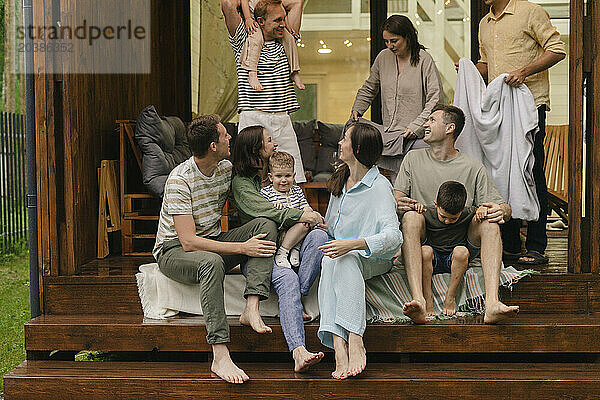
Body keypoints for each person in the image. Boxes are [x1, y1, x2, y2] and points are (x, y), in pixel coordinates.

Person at [152, 114, 277, 384]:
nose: (229, 137)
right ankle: (220, 354)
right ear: (212, 146)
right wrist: (243, 247)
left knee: (264, 224)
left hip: (213, 239)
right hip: (174, 251)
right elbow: (189, 241)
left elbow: (250, 193)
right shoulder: (179, 180)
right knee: (211, 262)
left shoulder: (224, 169)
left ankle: (251, 305)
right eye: (224, 135)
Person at [394, 104, 519, 324]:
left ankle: (491, 304)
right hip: (425, 239)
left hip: (462, 242)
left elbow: (503, 207)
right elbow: (396, 198)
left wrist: (502, 211)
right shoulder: (412, 159)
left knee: (490, 223)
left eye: (432, 120)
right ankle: (419, 301)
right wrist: (398, 203)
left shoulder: (472, 166)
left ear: (450, 128)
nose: (426, 124)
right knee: (411, 218)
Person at [476, 0, 566, 265]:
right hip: (498, 109)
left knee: (530, 170)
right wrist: (470, 70)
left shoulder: (530, 12)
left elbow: (557, 50)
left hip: (530, 105)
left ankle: (536, 246)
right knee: (500, 173)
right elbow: (486, 64)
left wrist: (524, 71)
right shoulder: (484, 23)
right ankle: (512, 245)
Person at [231, 125, 326, 372]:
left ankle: (301, 292)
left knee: (317, 234)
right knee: (287, 280)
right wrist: (305, 215)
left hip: (292, 247)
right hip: (265, 253)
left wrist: (314, 218)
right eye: (269, 140)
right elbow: (269, 214)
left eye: (288, 176)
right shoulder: (247, 184)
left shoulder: (274, 180)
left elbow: (304, 212)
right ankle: (299, 351)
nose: (274, 143)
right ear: (257, 149)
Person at [317, 122, 403, 380]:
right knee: (331, 261)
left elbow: (394, 236)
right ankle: (339, 346)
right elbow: (331, 227)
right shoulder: (340, 180)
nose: (340, 143)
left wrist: (353, 244)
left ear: (357, 148)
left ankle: (355, 339)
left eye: (344, 139)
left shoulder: (379, 187)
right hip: (342, 256)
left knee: (345, 258)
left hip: (374, 258)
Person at [222, 0, 306, 183]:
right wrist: (247, 10)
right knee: (250, 179)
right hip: (254, 118)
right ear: (260, 21)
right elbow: (228, 4)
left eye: (283, 19)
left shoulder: (286, 39)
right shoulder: (245, 39)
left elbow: (297, 2)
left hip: (282, 119)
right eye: (277, 20)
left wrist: (271, 3)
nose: (283, 24)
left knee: (294, 179)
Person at [350, 14, 443, 180]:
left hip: (414, 136)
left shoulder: (424, 60)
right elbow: (370, 87)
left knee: (414, 182)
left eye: (394, 41)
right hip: (389, 135)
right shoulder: (383, 57)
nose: (389, 46)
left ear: (407, 36)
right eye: (386, 41)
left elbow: (435, 99)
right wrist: (358, 108)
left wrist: (416, 127)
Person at [404, 181, 489, 316]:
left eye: (453, 219)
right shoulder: (428, 212)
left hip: (455, 260)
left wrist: (483, 210)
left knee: (462, 251)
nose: (447, 221)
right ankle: (427, 297)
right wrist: (416, 208)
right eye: (443, 216)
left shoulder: (468, 212)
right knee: (425, 251)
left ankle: (450, 297)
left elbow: (481, 208)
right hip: (433, 259)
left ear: (463, 209)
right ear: (436, 204)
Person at [260, 151, 313, 269]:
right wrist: (274, 205)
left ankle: (295, 249)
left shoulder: (297, 190)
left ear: (293, 176)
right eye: (279, 176)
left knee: (306, 222)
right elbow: (265, 211)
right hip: (281, 232)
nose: (283, 180)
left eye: (287, 176)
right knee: (302, 221)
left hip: (298, 232)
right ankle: (282, 252)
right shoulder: (267, 193)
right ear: (270, 177)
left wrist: (310, 211)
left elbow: (305, 206)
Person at [239, 0, 304, 91]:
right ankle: (252, 73)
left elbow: (279, 6)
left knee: (290, 38)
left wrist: (287, 24)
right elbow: (244, 2)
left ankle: (295, 71)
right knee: (256, 40)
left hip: (270, 14)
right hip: (255, 18)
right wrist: (248, 18)